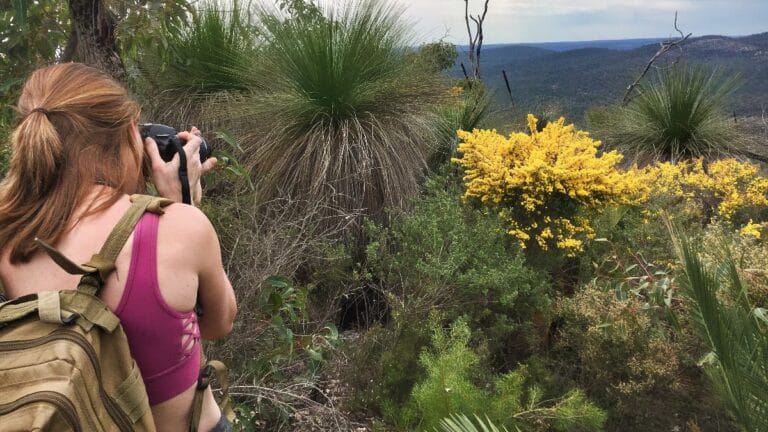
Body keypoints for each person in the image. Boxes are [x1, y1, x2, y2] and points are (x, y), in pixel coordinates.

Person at [0, 62, 237, 431]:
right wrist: (182, 201)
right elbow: (218, 322)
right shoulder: (180, 228)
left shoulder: (11, 234)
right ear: (129, 133)